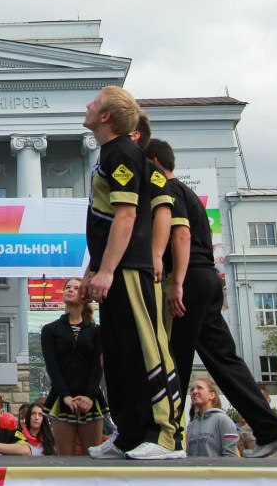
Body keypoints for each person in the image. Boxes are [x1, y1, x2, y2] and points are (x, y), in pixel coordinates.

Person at [144, 138, 277, 459]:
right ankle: (271, 428)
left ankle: (167, 439)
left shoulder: (167, 191)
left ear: (155, 162)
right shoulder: (188, 193)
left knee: (174, 361)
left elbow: (181, 235)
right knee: (223, 359)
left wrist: (176, 284)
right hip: (206, 278)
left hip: (190, 280)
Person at [80, 87, 184, 461]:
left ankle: (165, 435)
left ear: (106, 116)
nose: (88, 106)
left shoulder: (123, 152)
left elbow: (126, 215)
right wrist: (95, 268)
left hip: (129, 269)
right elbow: (105, 219)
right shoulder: (109, 153)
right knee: (120, 353)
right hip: (113, 269)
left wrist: (107, 270)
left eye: (94, 102)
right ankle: (128, 433)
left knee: (147, 348)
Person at [40, 276, 107, 456]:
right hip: (62, 397)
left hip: (90, 398)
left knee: (91, 456)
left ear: (85, 296)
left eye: (76, 288)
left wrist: (89, 395)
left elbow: (97, 365)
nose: (70, 290)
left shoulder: (96, 330)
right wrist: (65, 396)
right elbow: (51, 366)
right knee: (65, 457)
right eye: (67, 287)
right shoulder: (50, 330)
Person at [184, 378, 239, 458]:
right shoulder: (191, 425)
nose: (194, 391)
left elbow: (231, 456)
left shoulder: (223, 420)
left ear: (212, 395)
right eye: (192, 389)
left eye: (199, 388)